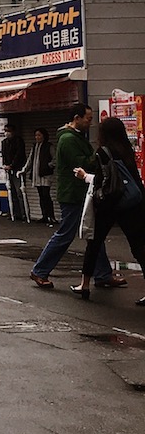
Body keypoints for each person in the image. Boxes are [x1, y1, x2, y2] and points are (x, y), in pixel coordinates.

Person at [30, 103, 123, 290]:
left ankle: (103, 274)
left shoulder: (75, 137)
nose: (90, 122)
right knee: (67, 233)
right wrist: (100, 155)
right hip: (73, 193)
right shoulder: (69, 140)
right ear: (77, 118)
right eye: (88, 119)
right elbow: (82, 163)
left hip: (81, 192)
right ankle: (40, 270)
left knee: (94, 233)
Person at [69, 116, 145, 302]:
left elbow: (103, 181)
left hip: (110, 204)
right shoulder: (126, 150)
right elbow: (133, 177)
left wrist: (85, 176)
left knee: (94, 243)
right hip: (131, 203)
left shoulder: (102, 152)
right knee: (139, 247)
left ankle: (84, 284)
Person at [22, 127, 56, 225]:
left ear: (44, 136)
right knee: (41, 195)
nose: (37, 137)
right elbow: (30, 160)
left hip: (45, 175)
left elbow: (55, 159)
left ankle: (51, 216)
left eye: (39, 135)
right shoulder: (34, 146)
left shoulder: (49, 146)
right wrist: (24, 170)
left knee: (46, 195)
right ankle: (44, 215)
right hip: (37, 174)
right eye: (36, 135)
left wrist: (49, 165)